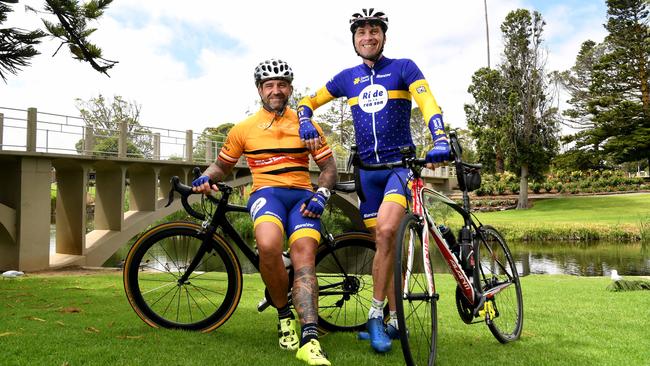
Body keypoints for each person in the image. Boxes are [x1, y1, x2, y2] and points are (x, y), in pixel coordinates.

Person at [297, 8, 450, 354]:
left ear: (383, 36)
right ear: (354, 39)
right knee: (385, 247)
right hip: (367, 173)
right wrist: (305, 118)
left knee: (384, 233)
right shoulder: (346, 78)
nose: (368, 37)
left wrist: (439, 136)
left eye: (374, 31)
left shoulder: (403, 68)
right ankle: (396, 320)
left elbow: (427, 102)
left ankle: (374, 316)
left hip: (400, 168)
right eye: (361, 32)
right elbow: (307, 99)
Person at [192, 59, 336, 366]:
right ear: (260, 90)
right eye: (269, 85)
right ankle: (284, 316)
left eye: (282, 84)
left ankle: (310, 338)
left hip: (302, 196)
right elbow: (222, 165)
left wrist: (322, 194)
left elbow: (328, 167)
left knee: (304, 256)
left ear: (290, 89)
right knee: (269, 246)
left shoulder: (305, 124)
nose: (276, 90)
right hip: (266, 194)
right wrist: (207, 177)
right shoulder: (244, 129)